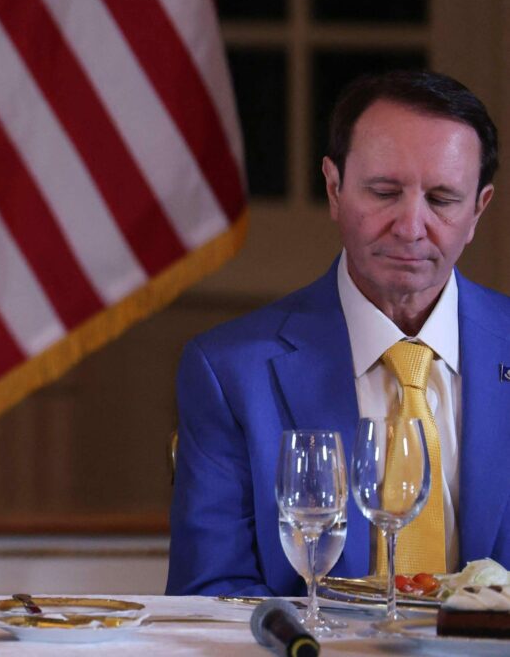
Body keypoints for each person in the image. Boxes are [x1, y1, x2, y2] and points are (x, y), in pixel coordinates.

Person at [168, 69, 510, 596]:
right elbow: (211, 598)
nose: (410, 227)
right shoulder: (230, 372)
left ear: (478, 210)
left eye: (442, 200)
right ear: (334, 189)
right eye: (384, 192)